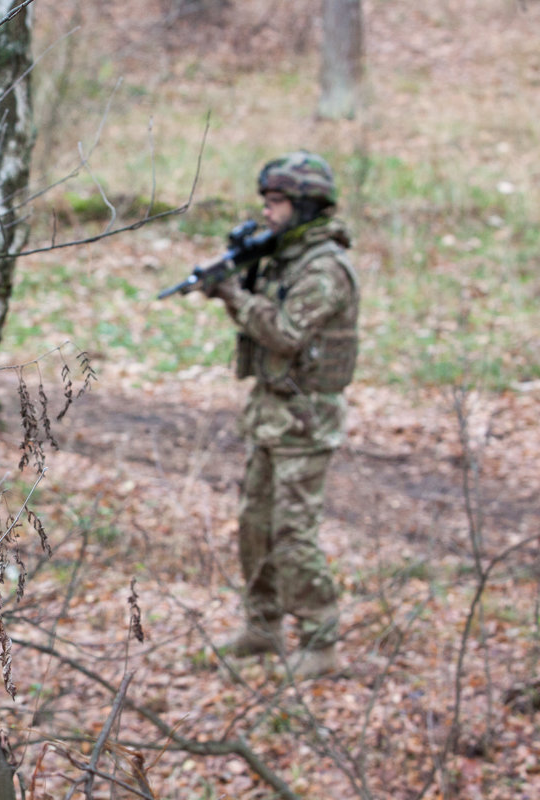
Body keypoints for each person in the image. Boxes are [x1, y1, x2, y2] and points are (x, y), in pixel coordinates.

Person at [206, 150, 359, 679]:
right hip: (271, 413)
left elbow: (287, 334)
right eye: (266, 202)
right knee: (254, 526)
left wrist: (232, 296)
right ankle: (263, 625)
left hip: (305, 419)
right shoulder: (285, 257)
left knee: (293, 533)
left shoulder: (324, 269)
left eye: (277, 202)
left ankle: (320, 640)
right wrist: (238, 275)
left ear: (307, 206)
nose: (268, 212)